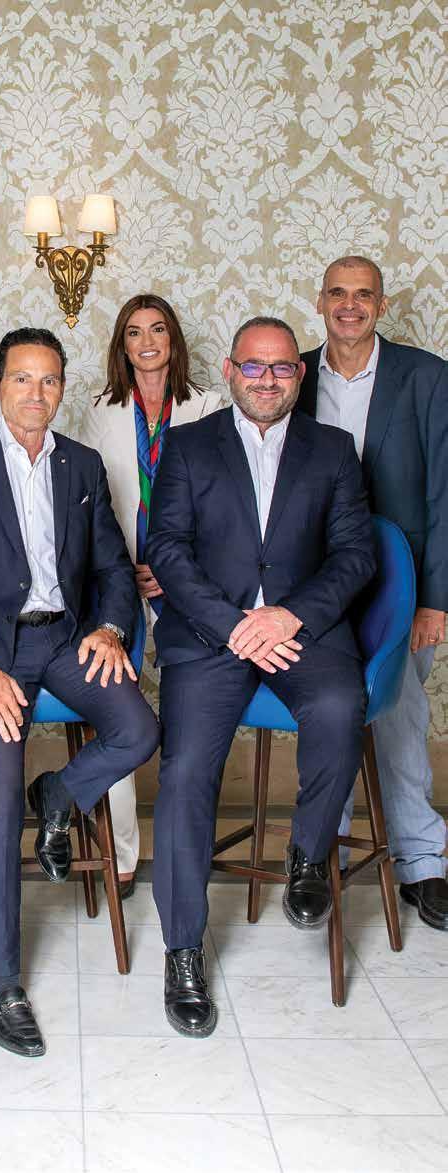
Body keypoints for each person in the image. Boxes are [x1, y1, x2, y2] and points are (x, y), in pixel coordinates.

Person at [0, 327, 160, 1058]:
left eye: (49, 380)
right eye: (21, 379)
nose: (36, 393)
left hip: (66, 639)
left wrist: (110, 627)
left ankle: (58, 795)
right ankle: (3, 981)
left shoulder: (81, 464)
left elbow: (113, 568)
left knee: (140, 729)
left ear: (61, 388)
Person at [146, 317, 376, 1038]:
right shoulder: (188, 445)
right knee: (185, 772)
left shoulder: (333, 449)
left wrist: (288, 616)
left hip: (300, 631)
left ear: (299, 375)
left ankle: (307, 853)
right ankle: (183, 950)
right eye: (254, 366)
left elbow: (356, 554)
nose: (267, 379)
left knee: (340, 705)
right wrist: (231, 623)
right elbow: (166, 547)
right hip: (212, 634)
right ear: (229, 370)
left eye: (280, 367)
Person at [298, 255, 448, 930]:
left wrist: (435, 598)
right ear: (320, 301)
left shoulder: (427, 377)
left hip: (400, 584)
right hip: (316, 586)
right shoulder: (294, 375)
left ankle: (421, 860)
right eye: (338, 293)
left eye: (363, 294)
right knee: (328, 711)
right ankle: (320, 855)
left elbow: (444, 492)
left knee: (401, 714)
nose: (349, 305)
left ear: (382, 306)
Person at [83, 293, 223, 895]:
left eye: (157, 329)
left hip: (187, 580)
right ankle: (121, 853)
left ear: (173, 340)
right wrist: (126, 565)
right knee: (119, 707)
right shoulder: (100, 411)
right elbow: (91, 502)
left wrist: (175, 568)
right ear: (122, 345)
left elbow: (222, 505)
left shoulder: (208, 406)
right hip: (119, 577)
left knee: (189, 716)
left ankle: (180, 847)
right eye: (134, 332)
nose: (147, 341)